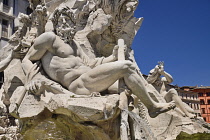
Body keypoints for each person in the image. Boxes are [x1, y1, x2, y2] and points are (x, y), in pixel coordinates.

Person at [22, 6, 175, 118]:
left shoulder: (74, 45)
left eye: (68, 20)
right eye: (61, 20)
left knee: (132, 91)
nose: (65, 23)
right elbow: (27, 59)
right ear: (55, 23)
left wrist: (113, 57)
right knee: (127, 67)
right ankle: (152, 107)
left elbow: (92, 64)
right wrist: (34, 79)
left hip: (90, 79)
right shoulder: (49, 38)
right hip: (77, 84)